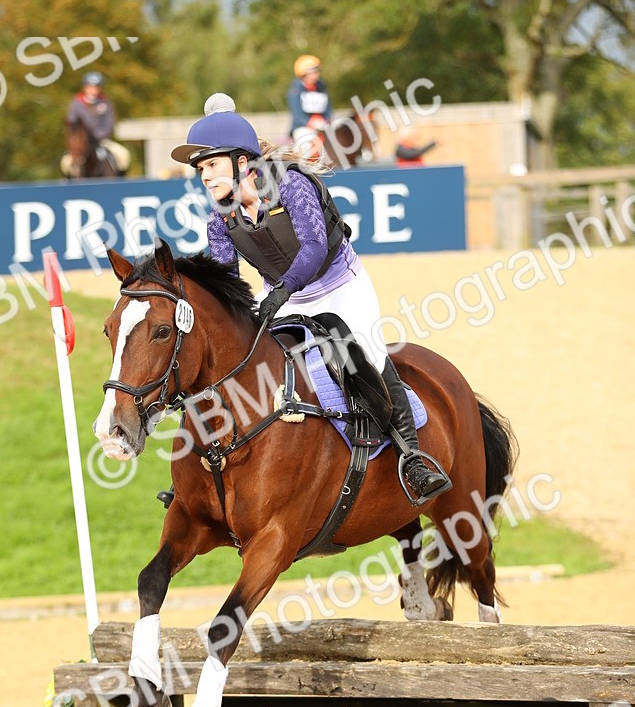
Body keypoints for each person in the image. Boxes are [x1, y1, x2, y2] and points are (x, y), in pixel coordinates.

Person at [163, 94, 451, 506]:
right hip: (283, 293)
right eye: (200, 169)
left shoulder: (290, 185)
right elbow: (227, 280)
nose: (204, 177)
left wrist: (278, 294)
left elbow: (314, 249)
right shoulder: (219, 219)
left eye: (211, 165)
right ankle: (191, 476)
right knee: (237, 360)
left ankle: (413, 456)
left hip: (339, 285)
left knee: (364, 355)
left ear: (241, 163)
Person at [64, 71, 130, 175]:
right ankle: (67, 185)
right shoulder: (76, 104)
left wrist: (99, 136)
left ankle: (121, 184)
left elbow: (109, 123)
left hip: (102, 141)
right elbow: (72, 124)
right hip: (81, 143)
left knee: (123, 155)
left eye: (96, 87)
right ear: (84, 87)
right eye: (90, 87)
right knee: (65, 164)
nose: (93, 90)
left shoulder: (106, 104)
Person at [287, 55, 333, 138]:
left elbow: (328, 110)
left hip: (322, 126)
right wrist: (310, 123)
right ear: (303, 74)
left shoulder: (322, 88)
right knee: (307, 142)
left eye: (317, 72)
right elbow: (297, 115)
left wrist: (326, 120)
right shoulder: (295, 91)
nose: (316, 75)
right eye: (312, 73)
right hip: (303, 127)